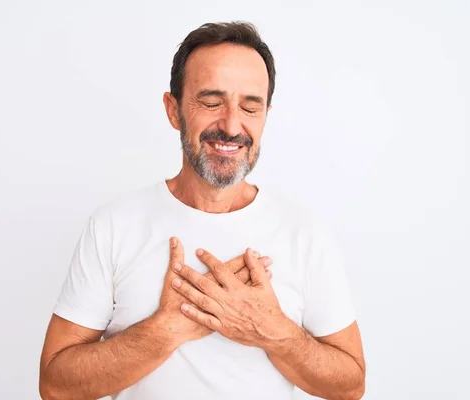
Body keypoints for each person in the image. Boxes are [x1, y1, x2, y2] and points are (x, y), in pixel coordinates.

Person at [39, 21, 365, 400]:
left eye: (250, 106)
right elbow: (55, 385)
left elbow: (350, 385)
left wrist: (273, 330)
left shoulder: (304, 233)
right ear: (174, 110)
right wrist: (167, 329)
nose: (231, 125)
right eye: (211, 102)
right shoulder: (113, 226)